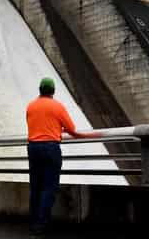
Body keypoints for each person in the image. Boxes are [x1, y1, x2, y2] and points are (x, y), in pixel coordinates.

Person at [26, 77, 100, 236]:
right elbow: (72, 130)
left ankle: (33, 222)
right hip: (50, 148)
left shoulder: (30, 106)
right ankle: (42, 225)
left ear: (40, 89)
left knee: (36, 187)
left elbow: (37, 126)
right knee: (49, 187)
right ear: (53, 91)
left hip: (32, 148)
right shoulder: (57, 107)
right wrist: (90, 136)